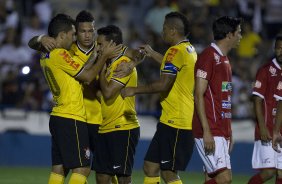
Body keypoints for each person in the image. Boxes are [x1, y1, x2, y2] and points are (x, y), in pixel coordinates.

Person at [38, 13, 121, 184]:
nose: (74, 37)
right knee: (83, 167)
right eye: (73, 34)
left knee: (59, 167)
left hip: (58, 115)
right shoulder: (61, 54)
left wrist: (92, 59)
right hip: (71, 117)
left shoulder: (45, 55)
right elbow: (88, 77)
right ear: (62, 35)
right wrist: (104, 57)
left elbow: (77, 73)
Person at [122, 11, 197, 184]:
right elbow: (174, 66)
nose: (161, 32)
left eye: (164, 29)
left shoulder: (174, 51)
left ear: (172, 31)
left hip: (177, 121)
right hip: (172, 119)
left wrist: (134, 90)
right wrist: (153, 53)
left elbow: (164, 84)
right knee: (150, 166)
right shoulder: (188, 49)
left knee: (169, 173)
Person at [192, 16, 242, 184]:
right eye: (239, 33)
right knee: (224, 178)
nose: (240, 37)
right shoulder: (208, 56)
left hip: (221, 128)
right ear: (229, 34)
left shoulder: (224, 59)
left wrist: (229, 130)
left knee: (211, 176)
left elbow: (223, 99)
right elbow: (198, 94)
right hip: (210, 129)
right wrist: (207, 131)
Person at [94, 25, 140, 184]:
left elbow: (107, 92)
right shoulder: (108, 65)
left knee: (123, 179)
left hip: (123, 128)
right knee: (101, 177)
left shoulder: (123, 64)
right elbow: (101, 94)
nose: (97, 48)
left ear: (112, 45)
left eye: (100, 44)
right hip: (105, 127)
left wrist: (99, 68)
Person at [248, 35, 282, 183]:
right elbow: (257, 100)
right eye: (279, 48)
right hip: (267, 128)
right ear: (274, 49)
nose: (281, 51)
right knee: (269, 172)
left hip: (280, 129)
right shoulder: (266, 70)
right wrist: (262, 127)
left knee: (281, 172)